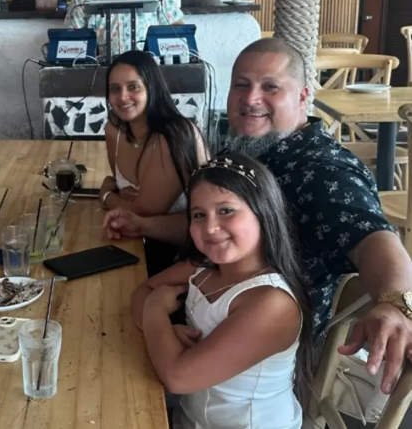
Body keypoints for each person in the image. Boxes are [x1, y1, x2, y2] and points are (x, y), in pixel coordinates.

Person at [106, 37, 412, 395]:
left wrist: (396, 303)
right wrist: (143, 225)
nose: (251, 99)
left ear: (302, 96)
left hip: (256, 363)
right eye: (241, 85)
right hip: (196, 311)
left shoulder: (325, 171)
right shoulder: (248, 147)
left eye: (270, 87)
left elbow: (375, 238)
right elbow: (208, 226)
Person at [132, 154, 312, 429]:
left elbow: (178, 378)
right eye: (199, 215)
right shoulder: (202, 269)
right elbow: (142, 291)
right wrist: (165, 333)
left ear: (263, 212)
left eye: (226, 210)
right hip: (190, 419)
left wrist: (155, 310)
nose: (211, 227)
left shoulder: (272, 302)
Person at [99, 50, 208, 217]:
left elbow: (143, 213)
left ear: (151, 88)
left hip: (185, 234)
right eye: (115, 89)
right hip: (133, 232)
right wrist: (118, 193)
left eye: (133, 87)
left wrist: (106, 195)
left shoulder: (176, 135)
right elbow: (123, 192)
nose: (122, 97)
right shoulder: (114, 130)